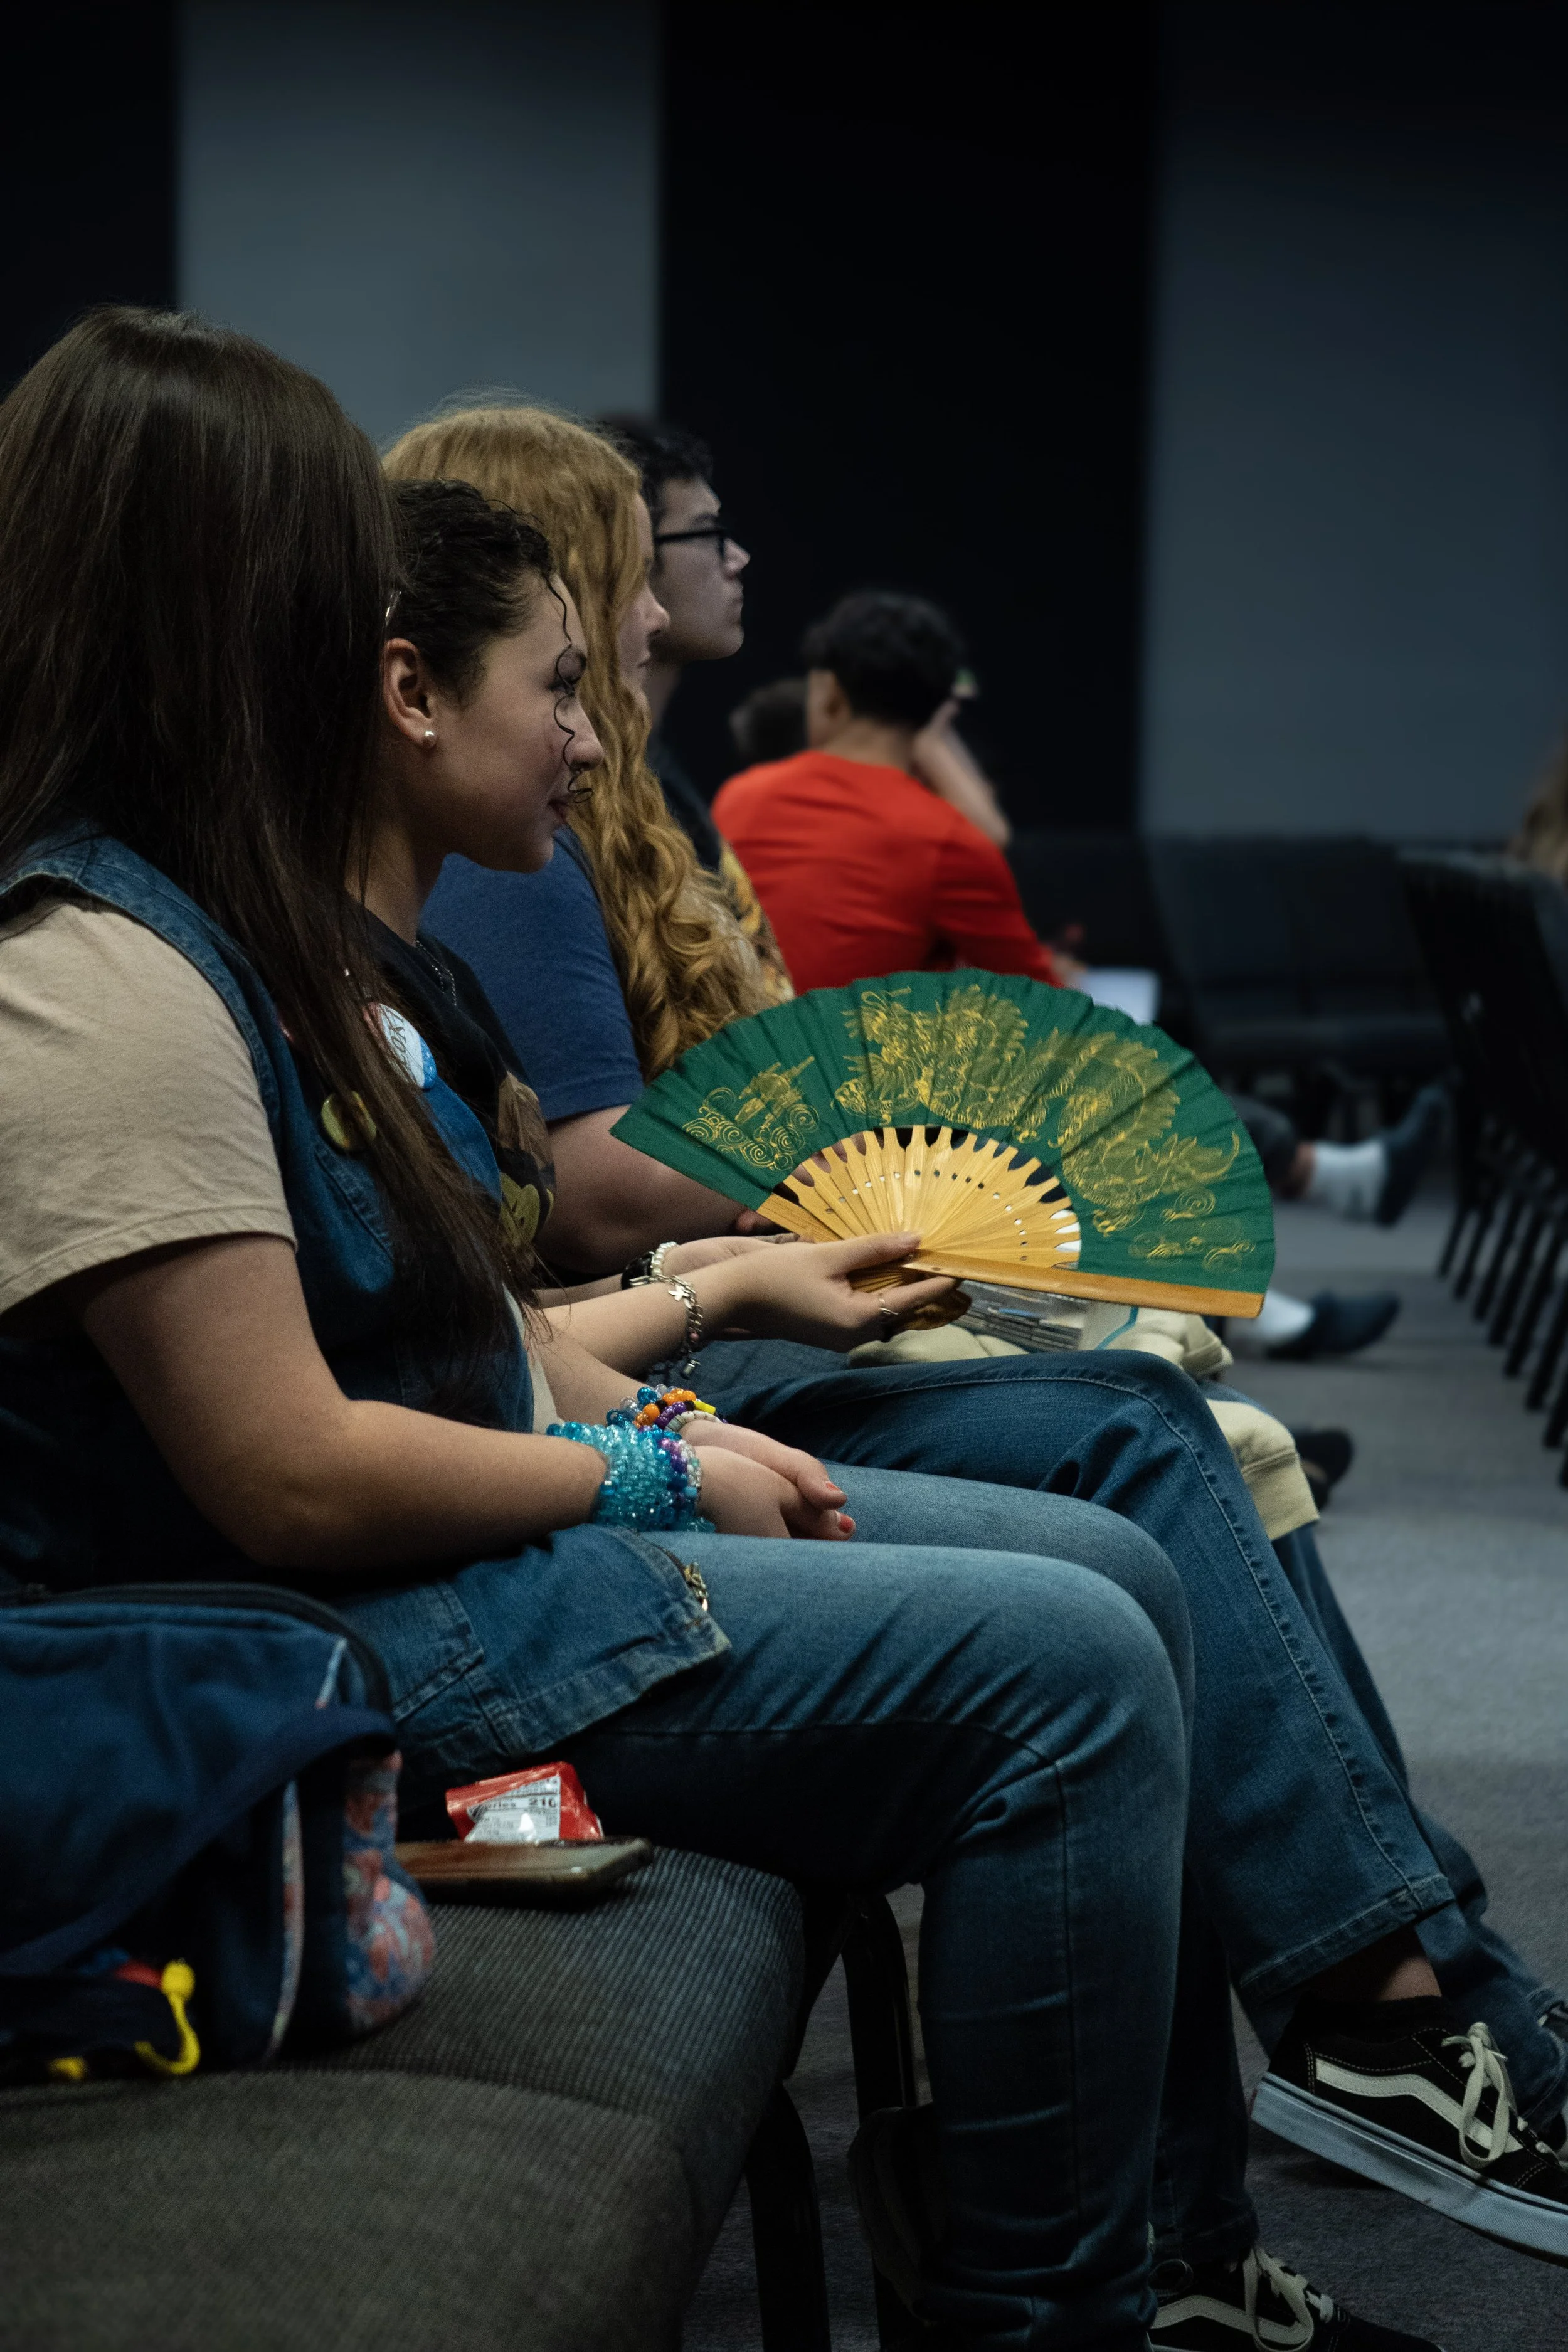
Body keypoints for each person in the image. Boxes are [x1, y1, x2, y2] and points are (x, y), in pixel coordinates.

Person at [0, 310, 1200, 2348]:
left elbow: (450, 1310)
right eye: (317, 565)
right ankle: (1043, 2315)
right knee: (1071, 1666)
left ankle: (1118, 2260)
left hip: (435, 1564)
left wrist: (652, 1389)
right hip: (297, 1645)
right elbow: (289, 1469)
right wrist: (645, 1456)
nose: (351, 612)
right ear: (216, 605)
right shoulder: (90, 966)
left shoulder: (224, 912)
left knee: (1113, 1567)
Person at [389, 438, 1568, 2334]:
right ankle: (1363, 2027)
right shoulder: (447, 885)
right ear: (432, 658)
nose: (682, 582)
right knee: (1133, 1468)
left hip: (660, 1349)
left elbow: (470, 1307)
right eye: (647, 552)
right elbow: (529, 1253)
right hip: (580, 1452)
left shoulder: (626, 810)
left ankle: (1371, 2041)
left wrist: (716, 1301)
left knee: (1158, 1443)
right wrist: (681, 1378)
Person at [711, 590, 1061, 993]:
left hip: (742, 1047)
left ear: (830, 692)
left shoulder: (738, 797)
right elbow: (1053, 1015)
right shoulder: (949, 840)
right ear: (933, 714)